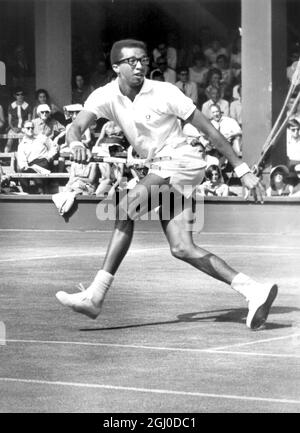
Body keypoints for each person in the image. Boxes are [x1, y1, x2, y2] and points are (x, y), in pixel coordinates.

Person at [56, 38, 276, 331]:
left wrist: (242, 169)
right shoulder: (104, 95)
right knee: (182, 247)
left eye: (143, 60)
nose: (139, 66)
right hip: (164, 171)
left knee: (123, 209)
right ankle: (253, 291)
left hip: (181, 162)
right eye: (131, 61)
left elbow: (209, 130)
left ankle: (96, 295)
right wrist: (74, 142)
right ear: (116, 67)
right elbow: (77, 126)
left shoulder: (164, 91)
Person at [17, 120, 58, 193]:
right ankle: (26, 193)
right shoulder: (22, 145)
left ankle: (41, 193)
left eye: (32, 128)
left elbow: (54, 147)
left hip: (43, 162)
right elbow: (22, 161)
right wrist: (25, 167)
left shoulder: (41, 137)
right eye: (28, 128)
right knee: (21, 172)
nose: (31, 130)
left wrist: (49, 157)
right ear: (23, 129)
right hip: (31, 165)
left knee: (38, 180)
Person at [5, 87, 31, 152]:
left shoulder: (27, 106)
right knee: (9, 141)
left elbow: (29, 120)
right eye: (18, 94)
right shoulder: (11, 106)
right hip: (13, 128)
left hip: (23, 129)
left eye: (22, 94)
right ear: (15, 96)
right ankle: (5, 157)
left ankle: (20, 159)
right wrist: (13, 128)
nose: (20, 96)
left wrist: (22, 128)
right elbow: (9, 121)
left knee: (21, 143)